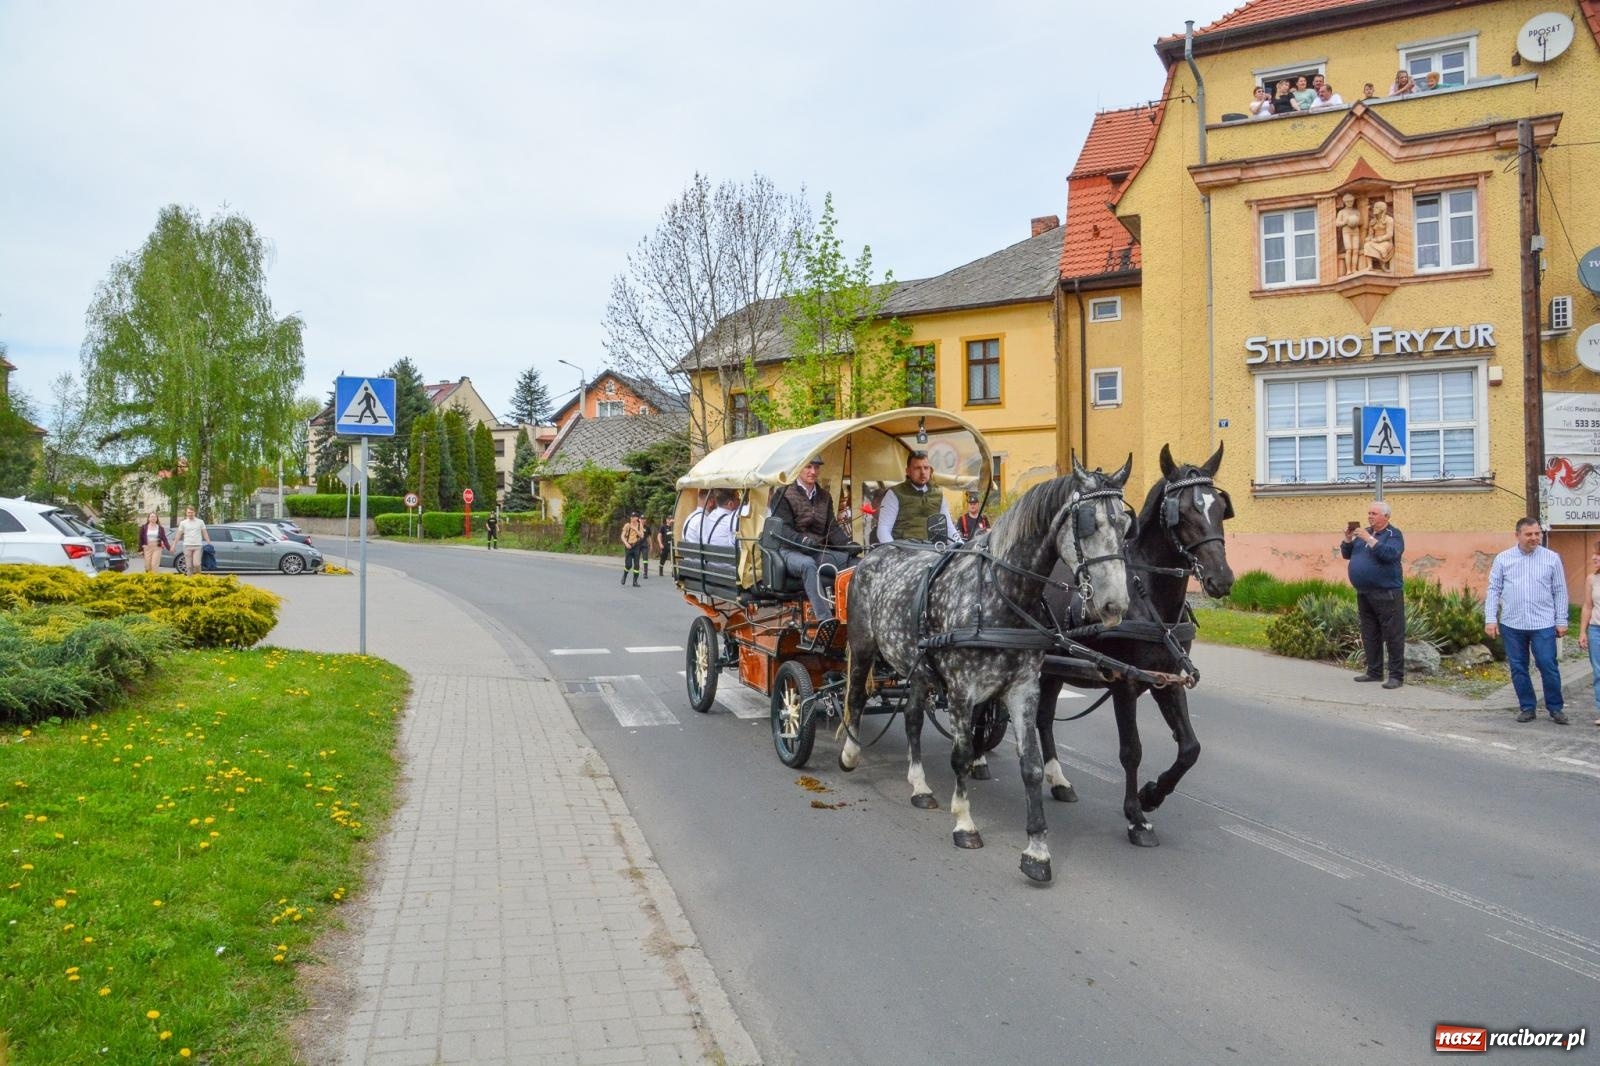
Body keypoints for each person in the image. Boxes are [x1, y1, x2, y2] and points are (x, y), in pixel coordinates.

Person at [1485, 518, 1570, 724]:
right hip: (1512, 623)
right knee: (1518, 667)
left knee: (1547, 664)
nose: (1534, 538)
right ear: (1518, 536)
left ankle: (1555, 707)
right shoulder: (1504, 559)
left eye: (1537, 533)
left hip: (1543, 623)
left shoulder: (1551, 558)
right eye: (1529, 534)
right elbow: (1494, 589)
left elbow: (1560, 590)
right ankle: (1527, 707)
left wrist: (1561, 620)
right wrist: (1490, 618)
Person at [768, 457, 853, 623]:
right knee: (807, 565)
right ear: (799, 468)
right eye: (808, 467)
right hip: (789, 551)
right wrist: (802, 540)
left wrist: (848, 545)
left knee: (854, 564)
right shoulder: (783, 494)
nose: (813, 472)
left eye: (816, 467)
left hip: (817, 551)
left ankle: (852, 615)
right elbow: (783, 529)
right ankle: (825, 619)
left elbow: (832, 528)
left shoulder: (824, 496)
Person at [1341, 501, 1406, 688]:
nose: (1370, 516)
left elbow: (1391, 554)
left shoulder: (1394, 535)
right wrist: (1347, 539)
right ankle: (1374, 671)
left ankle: (1396, 676)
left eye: (1375, 513)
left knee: (1393, 635)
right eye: (1369, 513)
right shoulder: (1363, 534)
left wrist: (1370, 539)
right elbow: (1347, 554)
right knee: (1370, 633)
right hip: (1364, 592)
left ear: (1386, 517)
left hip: (1387, 592)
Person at [876, 450, 960, 545]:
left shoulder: (939, 495)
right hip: (903, 551)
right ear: (908, 471)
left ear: (930, 470)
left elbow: (949, 528)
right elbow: (883, 529)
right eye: (917, 468)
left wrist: (962, 548)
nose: (923, 472)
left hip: (933, 551)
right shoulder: (894, 494)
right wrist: (893, 552)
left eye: (926, 468)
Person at [1577, 545, 1600, 726]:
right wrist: (1582, 631)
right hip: (1596, 630)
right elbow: (1587, 606)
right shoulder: (1592, 579)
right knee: (1598, 672)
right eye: (1594, 554)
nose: (1594, 557)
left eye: (1598, 555)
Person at [1335, 193, 1364, 276]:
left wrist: (1356, 221)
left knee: (1355, 250)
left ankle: (1354, 269)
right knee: (1349, 250)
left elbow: (1361, 222)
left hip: (1355, 231)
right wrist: (1345, 222)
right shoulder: (1342, 212)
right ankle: (1348, 270)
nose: (1350, 203)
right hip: (1346, 231)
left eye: (1351, 201)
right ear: (1344, 202)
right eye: (1348, 201)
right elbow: (1337, 223)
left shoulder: (1356, 211)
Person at [175, 506, 209, 576]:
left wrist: (209, 543)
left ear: (194, 513)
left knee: (196, 564)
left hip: (197, 545)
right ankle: (190, 580)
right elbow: (178, 534)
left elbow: (205, 533)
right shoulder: (183, 523)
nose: (190, 514)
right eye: (188, 512)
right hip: (187, 545)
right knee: (189, 566)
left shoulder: (200, 522)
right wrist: (174, 545)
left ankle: (198, 577)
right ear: (186, 513)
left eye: (191, 512)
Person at [1361, 200, 1394, 270]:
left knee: (1383, 247)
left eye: (1376, 208)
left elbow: (1390, 234)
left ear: (1382, 209)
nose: (1374, 209)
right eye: (1374, 207)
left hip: (1386, 241)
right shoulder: (1372, 221)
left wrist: (1379, 239)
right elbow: (1370, 234)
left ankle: (1383, 265)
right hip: (1374, 241)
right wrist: (1368, 238)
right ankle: (1370, 266)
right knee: (1367, 245)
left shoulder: (1389, 220)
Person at [620, 511, 648, 587]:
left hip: (636, 546)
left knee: (636, 565)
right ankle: (624, 576)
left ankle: (635, 582)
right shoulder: (627, 525)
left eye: (634, 517)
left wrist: (635, 529)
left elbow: (642, 536)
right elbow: (622, 536)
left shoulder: (640, 526)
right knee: (628, 565)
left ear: (637, 518)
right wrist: (626, 543)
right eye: (632, 517)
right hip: (628, 546)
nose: (632, 518)